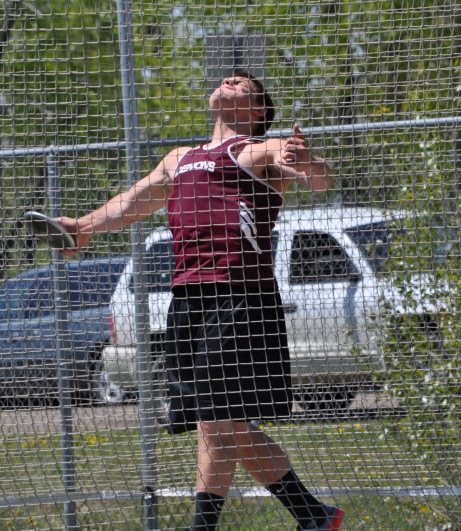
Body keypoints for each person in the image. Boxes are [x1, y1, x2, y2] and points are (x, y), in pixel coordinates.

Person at [57, 72, 344, 530]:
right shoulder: (179, 158)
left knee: (215, 425)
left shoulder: (257, 150)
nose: (230, 81)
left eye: (243, 85)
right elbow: (131, 203)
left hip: (240, 298)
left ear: (256, 113)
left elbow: (318, 179)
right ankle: (315, 516)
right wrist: (82, 227)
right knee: (228, 427)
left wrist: (308, 162)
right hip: (187, 302)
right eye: (227, 79)